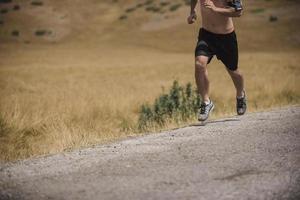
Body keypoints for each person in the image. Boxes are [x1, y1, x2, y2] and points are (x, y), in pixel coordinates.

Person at [187, 0, 247, 121]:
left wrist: (215, 9)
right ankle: (206, 102)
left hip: (226, 37)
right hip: (206, 35)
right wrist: (192, 11)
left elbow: (238, 12)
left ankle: (240, 95)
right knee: (199, 64)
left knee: (233, 70)